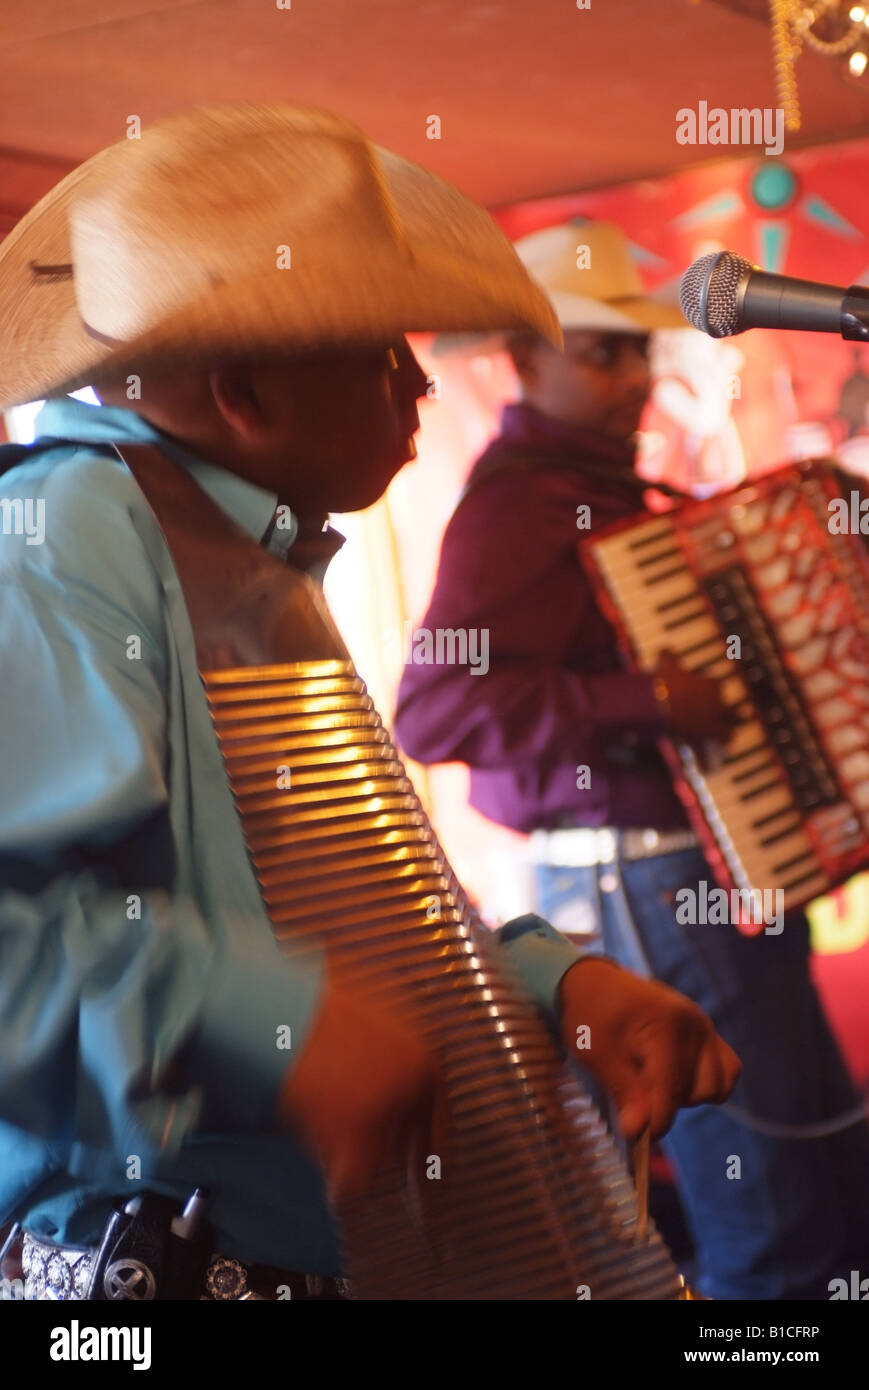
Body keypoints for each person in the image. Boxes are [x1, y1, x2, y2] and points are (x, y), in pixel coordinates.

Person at [0, 111, 739, 1302]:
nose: (421, 378)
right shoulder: (65, 537)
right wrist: (264, 1025)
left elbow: (332, 932)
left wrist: (557, 991)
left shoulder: (250, 549)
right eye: (378, 351)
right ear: (241, 389)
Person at [394, 218, 869, 1301]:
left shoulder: (607, 497)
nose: (627, 378)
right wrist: (647, 701)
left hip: (701, 875)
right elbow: (432, 711)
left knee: (824, 1199)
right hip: (638, 881)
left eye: (634, 351)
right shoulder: (515, 505)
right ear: (522, 360)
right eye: (596, 350)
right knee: (773, 1229)